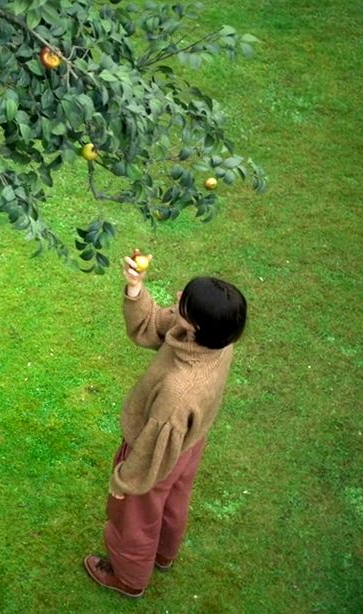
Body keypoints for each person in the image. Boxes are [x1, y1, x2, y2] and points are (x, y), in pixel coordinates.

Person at [83, 253, 247, 598]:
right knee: (173, 502)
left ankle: (129, 578)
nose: (175, 299)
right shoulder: (219, 337)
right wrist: (135, 288)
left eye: (182, 302)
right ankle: (163, 555)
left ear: (195, 326)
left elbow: (153, 446)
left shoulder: (179, 389)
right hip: (189, 444)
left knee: (135, 517)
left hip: (158, 450)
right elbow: (156, 324)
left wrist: (125, 480)